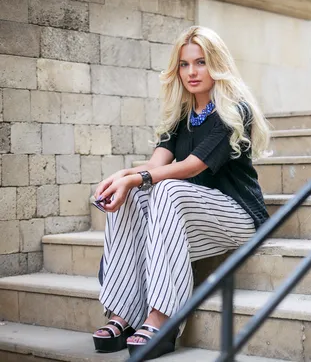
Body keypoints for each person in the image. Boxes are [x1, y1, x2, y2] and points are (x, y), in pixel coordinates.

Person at [91, 26, 270, 359]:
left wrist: (136, 178)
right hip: (191, 214)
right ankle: (123, 312)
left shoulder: (234, 111)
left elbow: (190, 167)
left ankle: (163, 316)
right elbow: (156, 164)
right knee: (137, 192)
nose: (192, 72)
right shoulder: (182, 115)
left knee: (167, 188)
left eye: (200, 62)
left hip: (237, 215)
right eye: (185, 65)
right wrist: (122, 176)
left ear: (216, 64)